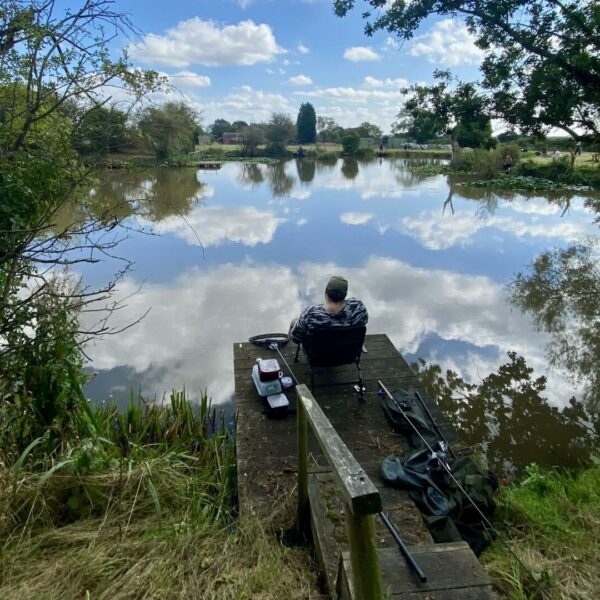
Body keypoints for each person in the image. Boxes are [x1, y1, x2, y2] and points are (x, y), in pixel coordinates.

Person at [289, 275, 368, 344]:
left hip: (318, 357)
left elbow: (296, 338)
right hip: (348, 355)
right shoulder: (358, 308)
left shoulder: (310, 314)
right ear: (345, 295)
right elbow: (364, 321)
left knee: (295, 321)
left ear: (326, 291)